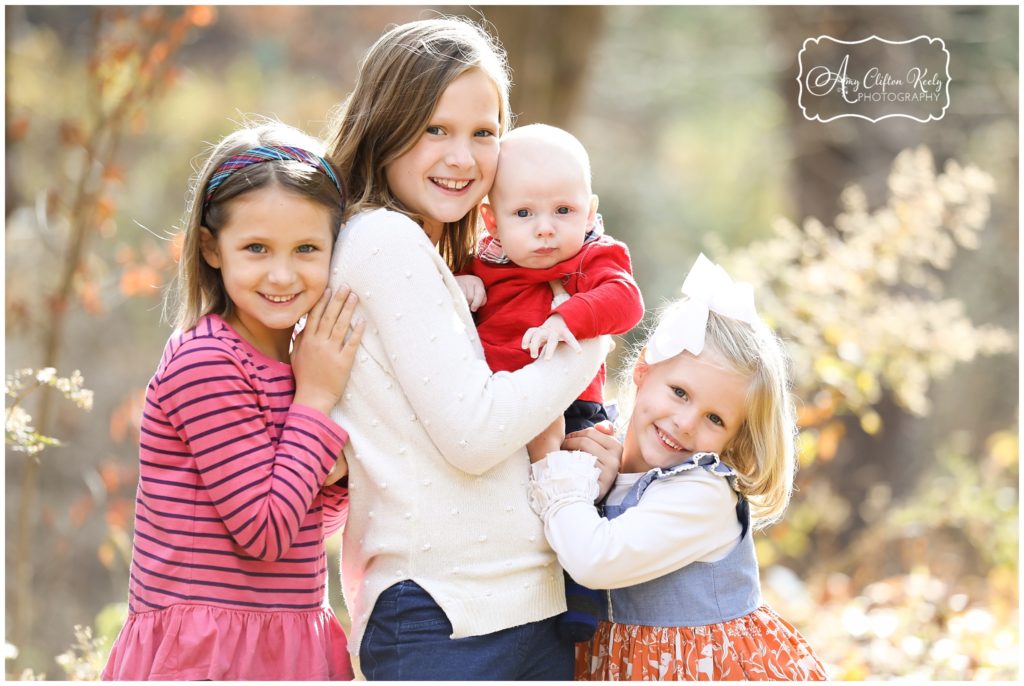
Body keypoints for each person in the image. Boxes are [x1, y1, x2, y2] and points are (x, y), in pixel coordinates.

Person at [323, 17, 609, 681]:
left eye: (483, 133)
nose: (462, 158)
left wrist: (570, 443)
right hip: (447, 618)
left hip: (514, 604)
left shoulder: (438, 256)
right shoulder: (383, 243)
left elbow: (483, 419)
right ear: (385, 124)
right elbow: (475, 432)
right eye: (435, 130)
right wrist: (591, 333)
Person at [102, 121, 364, 681]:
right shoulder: (207, 362)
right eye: (256, 248)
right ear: (210, 248)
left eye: (307, 249)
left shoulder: (300, 361)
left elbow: (309, 526)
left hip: (284, 641)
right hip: (211, 654)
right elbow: (265, 533)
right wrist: (317, 401)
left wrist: (332, 471)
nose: (282, 273)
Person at [529, 254, 830, 680]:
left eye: (715, 419)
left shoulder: (704, 493)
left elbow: (596, 560)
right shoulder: (602, 445)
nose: (686, 424)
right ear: (642, 369)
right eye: (679, 392)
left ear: (733, 438)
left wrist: (551, 463)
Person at [454, 123, 644, 643]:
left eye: (563, 211)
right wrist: (464, 284)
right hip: (494, 408)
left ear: (589, 209)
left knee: (576, 496)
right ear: (491, 220)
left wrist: (571, 318)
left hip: (573, 408)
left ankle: (583, 602)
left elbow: (627, 301)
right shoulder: (483, 262)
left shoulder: (591, 257)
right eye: (524, 214)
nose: (545, 229)